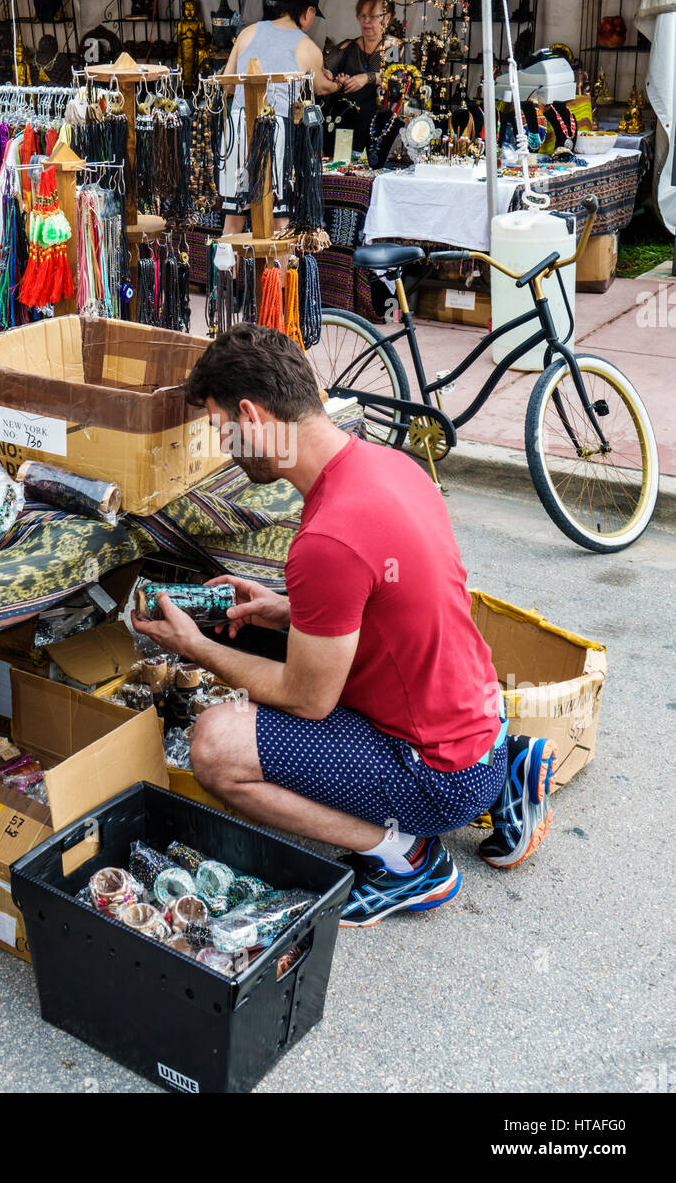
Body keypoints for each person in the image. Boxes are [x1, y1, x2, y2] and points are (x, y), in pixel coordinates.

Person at [132, 325, 557, 927]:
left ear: (251, 416)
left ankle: (409, 859)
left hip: (441, 774)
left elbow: (308, 700)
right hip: (482, 718)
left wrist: (194, 646)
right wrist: (287, 607)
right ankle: (508, 767)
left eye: (220, 427)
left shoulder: (328, 538)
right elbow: (392, 597)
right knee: (279, 655)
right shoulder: (388, 463)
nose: (223, 445)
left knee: (216, 745)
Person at [218, 0, 340, 235]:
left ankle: (226, 275)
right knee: (278, 221)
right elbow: (322, 88)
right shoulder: (308, 47)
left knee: (233, 218)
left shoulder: (248, 32)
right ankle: (277, 276)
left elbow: (227, 84)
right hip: (275, 129)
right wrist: (337, 82)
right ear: (308, 12)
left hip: (238, 125)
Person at [323, 0, 403, 154]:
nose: (366, 21)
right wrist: (339, 81)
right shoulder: (347, 47)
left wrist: (367, 78)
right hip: (346, 129)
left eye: (372, 16)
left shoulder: (393, 47)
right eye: (362, 16)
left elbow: (396, 79)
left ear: (386, 18)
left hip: (378, 130)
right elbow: (325, 72)